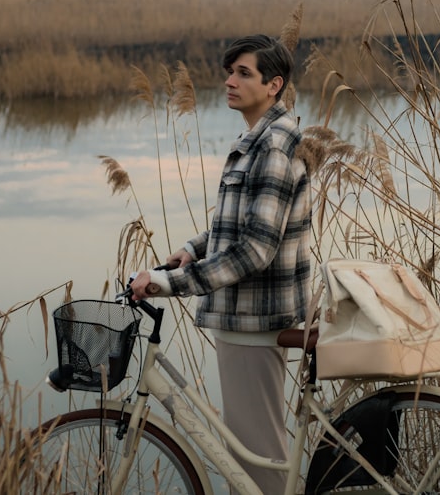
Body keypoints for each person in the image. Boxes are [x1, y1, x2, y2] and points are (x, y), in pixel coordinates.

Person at [130, 34, 312, 494]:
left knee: (257, 467)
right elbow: (238, 227)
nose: (229, 81)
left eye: (243, 73)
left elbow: (255, 249)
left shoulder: (272, 147)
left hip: (254, 319)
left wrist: (171, 283)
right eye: (229, 72)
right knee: (248, 458)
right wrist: (193, 248)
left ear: (274, 85)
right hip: (244, 318)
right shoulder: (259, 139)